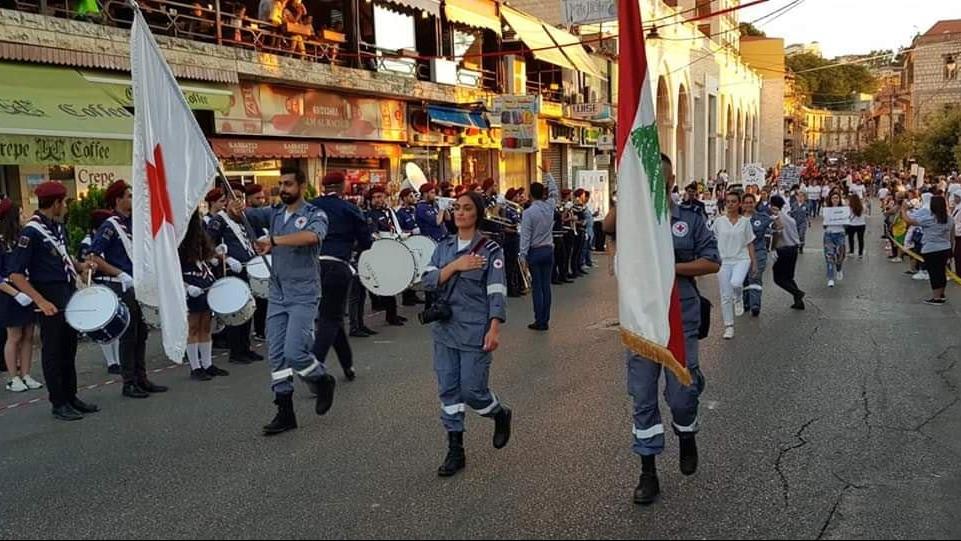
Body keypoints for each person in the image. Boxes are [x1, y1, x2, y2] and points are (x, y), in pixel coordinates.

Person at [604, 154, 720, 506]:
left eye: (661, 177)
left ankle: (687, 434)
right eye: (648, 177)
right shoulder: (631, 217)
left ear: (671, 181)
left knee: (682, 397)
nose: (655, 182)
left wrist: (671, 267)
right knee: (642, 399)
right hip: (641, 321)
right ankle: (648, 471)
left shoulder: (689, 219)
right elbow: (607, 228)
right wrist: (623, 194)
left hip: (679, 320)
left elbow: (711, 261)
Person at [420, 191, 512, 478]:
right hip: (445, 331)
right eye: (456, 208)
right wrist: (455, 266)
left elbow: (497, 290)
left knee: (472, 391)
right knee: (449, 390)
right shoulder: (443, 247)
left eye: (467, 208)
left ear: (477, 214)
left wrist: (494, 327)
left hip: (475, 330)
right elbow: (427, 280)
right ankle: (455, 448)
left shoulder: (490, 250)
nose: (460, 213)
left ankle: (498, 413)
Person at [252, 166, 335, 436]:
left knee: (295, 352)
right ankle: (285, 411)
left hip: (304, 293)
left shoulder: (314, 214)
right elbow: (248, 215)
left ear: (301, 186)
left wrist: (274, 241)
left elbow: (312, 237)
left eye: (288, 184)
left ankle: (322, 379)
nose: (283, 189)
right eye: (281, 184)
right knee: (276, 356)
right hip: (278, 293)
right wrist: (232, 208)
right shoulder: (275, 213)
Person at [9, 182, 99, 421]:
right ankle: (58, 403)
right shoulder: (31, 232)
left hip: (66, 292)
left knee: (69, 348)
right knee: (53, 351)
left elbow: (63, 257)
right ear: (56, 204)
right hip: (48, 296)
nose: (67, 208)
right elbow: (16, 274)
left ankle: (71, 397)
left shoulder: (57, 227)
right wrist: (40, 300)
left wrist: (80, 266)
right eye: (65, 203)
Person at [88, 180, 169, 398]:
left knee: (141, 333)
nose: (132, 199)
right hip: (123, 284)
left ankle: (141, 378)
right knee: (129, 334)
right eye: (129, 196)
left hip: (139, 283)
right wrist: (119, 273)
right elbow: (94, 256)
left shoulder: (132, 223)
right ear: (118, 200)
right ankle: (129, 382)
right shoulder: (110, 225)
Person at [310, 171, 371, 380]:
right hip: (337, 265)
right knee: (330, 317)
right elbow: (366, 241)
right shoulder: (349, 208)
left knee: (332, 316)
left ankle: (347, 364)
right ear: (341, 186)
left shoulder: (309, 206)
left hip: (311, 266)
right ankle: (314, 365)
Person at [206, 184, 264, 365]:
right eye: (235, 197)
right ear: (227, 201)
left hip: (247, 268)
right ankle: (236, 351)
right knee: (236, 310)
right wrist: (226, 258)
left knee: (248, 309)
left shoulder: (244, 219)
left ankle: (245, 347)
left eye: (242, 198)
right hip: (231, 270)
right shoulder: (219, 220)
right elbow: (208, 245)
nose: (239, 201)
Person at [180, 212, 230, 381]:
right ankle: (195, 367)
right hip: (190, 284)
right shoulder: (179, 241)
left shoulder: (200, 237)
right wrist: (186, 287)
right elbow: (172, 272)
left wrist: (215, 255)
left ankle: (207, 364)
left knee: (206, 326)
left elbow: (205, 256)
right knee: (193, 326)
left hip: (204, 282)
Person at [0, 200, 40, 393]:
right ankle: (13, 377)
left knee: (29, 335)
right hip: (9, 294)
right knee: (14, 336)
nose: (24, 217)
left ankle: (26, 373)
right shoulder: (1, 242)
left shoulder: (23, 238)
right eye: (21, 213)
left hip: (27, 289)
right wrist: (15, 293)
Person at [519, 158, 559, 331]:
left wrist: (522, 255)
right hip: (548, 249)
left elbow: (525, 236)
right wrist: (548, 173)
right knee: (546, 286)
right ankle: (546, 319)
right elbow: (555, 192)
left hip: (535, 252)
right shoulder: (549, 206)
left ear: (530, 195)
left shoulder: (528, 212)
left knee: (537, 288)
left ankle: (539, 320)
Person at [711, 192, 756, 340]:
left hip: (741, 259)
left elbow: (750, 243)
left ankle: (739, 298)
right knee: (725, 295)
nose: (730, 204)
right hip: (723, 261)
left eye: (733, 201)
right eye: (728, 201)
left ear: (739, 204)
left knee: (736, 283)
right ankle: (729, 326)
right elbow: (712, 241)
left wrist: (753, 262)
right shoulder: (719, 222)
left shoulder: (745, 222)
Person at [81, 208, 121, 375]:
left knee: (116, 323)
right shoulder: (87, 242)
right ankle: (111, 362)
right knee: (104, 324)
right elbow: (84, 269)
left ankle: (118, 359)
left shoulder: (109, 239)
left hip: (114, 283)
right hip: (99, 284)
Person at [901, 195, 955, 305]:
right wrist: (951, 250)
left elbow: (910, 221)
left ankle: (936, 297)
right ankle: (941, 294)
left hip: (931, 249)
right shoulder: (949, 219)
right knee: (941, 272)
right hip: (945, 248)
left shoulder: (929, 219)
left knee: (934, 273)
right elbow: (952, 236)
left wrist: (903, 210)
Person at [366, 185, 406, 327]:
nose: (378, 200)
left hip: (393, 247)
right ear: (370, 200)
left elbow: (395, 228)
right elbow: (374, 234)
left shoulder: (389, 211)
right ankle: (391, 315)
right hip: (383, 251)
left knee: (393, 282)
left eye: (380, 196)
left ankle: (393, 313)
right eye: (375, 197)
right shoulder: (371, 215)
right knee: (387, 284)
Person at [769, 195, 806, 310]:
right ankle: (798, 302)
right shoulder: (789, 218)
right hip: (793, 248)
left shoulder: (775, 217)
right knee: (789, 277)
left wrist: (772, 248)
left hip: (783, 249)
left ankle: (797, 292)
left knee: (778, 278)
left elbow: (777, 233)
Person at [741, 193, 773, 317]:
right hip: (741, 253)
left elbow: (777, 227)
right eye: (746, 202)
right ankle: (746, 302)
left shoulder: (762, 217)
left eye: (751, 202)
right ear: (742, 204)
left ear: (755, 203)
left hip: (758, 251)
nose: (749, 205)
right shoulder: (737, 219)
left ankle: (755, 305)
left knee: (754, 277)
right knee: (743, 280)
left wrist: (777, 216)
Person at [245, 183, 269, 342]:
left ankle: (263, 329)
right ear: (248, 199)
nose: (261, 200)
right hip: (254, 258)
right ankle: (260, 330)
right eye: (257, 198)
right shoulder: (249, 213)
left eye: (262, 197)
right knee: (260, 298)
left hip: (264, 255)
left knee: (265, 298)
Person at [822, 189, 847, 288]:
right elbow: (824, 225)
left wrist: (844, 222)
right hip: (829, 234)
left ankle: (839, 268)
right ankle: (830, 278)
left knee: (840, 256)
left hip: (840, 234)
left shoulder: (844, 209)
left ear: (839, 199)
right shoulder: (826, 209)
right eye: (833, 198)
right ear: (830, 199)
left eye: (837, 198)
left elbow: (846, 224)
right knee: (829, 257)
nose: (835, 199)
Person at [846, 194, 867, 260]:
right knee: (861, 239)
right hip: (861, 224)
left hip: (851, 225)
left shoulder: (849, 207)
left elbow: (848, 216)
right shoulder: (863, 206)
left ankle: (851, 251)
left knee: (851, 239)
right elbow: (866, 212)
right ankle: (860, 253)